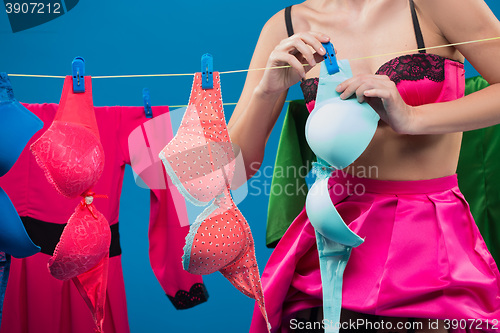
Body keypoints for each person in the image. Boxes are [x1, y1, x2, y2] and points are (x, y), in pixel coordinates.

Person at [228, 0, 500, 332]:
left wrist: (413, 117)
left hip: (428, 243)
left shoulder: (437, 4)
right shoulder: (285, 24)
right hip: (332, 245)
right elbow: (234, 174)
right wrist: (266, 92)